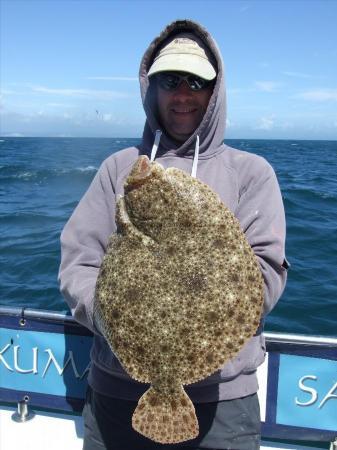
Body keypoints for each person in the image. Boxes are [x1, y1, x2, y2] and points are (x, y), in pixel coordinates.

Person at [58, 19, 288, 450]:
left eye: (196, 82)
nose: (182, 94)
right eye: (169, 81)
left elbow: (265, 278)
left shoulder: (252, 174)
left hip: (225, 403)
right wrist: (112, 320)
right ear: (151, 88)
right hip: (114, 393)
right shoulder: (117, 168)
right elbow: (79, 264)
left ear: (215, 91)